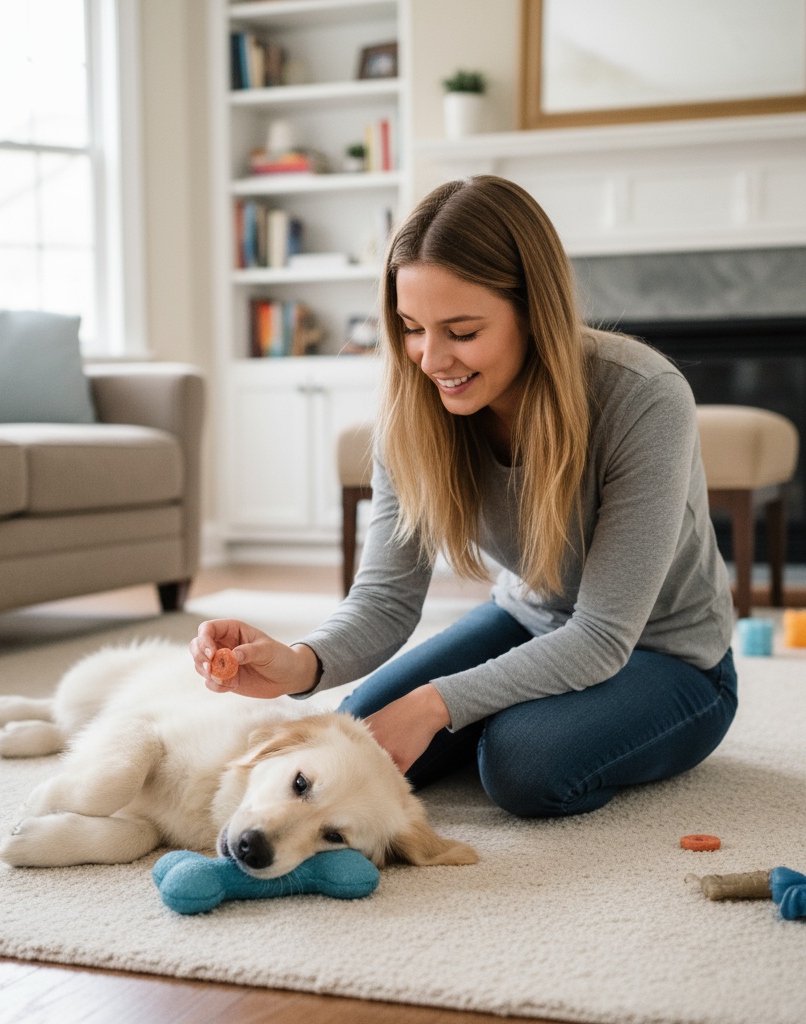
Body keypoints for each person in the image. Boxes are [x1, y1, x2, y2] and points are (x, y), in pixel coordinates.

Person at [190, 175, 737, 818]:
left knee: (524, 762)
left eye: (462, 331)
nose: (430, 359)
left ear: (534, 311)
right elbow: (386, 598)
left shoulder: (642, 396)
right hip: (530, 619)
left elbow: (601, 635)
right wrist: (299, 662)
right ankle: (513, 712)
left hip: (671, 656)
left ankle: (533, 724)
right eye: (412, 327)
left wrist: (438, 704)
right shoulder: (413, 406)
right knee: (358, 733)